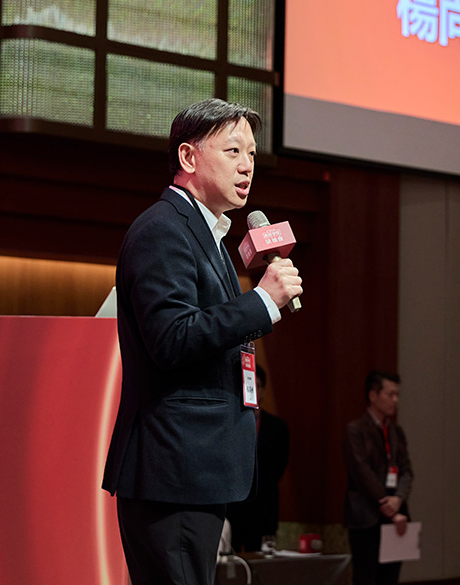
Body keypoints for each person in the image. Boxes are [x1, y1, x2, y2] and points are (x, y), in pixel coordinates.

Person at [101, 99, 303, 585]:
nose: (247, 165)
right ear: (189, 157)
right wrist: (261, 302)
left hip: (196, 469)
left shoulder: (206, 234)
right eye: (233, 150)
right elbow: (172, 338)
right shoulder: (163, 229)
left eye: (251, 153)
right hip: (174, 468)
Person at [344, 370, 414, 585]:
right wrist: (385, 502)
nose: (395, 400)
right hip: (366, 517)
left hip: (395, 516)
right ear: (373, 395)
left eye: (397, 395)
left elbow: (406, 471)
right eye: (390, 394)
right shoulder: (355, 430)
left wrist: (398, 499)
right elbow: (362, 472)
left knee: (390, 577)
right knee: (366, 577)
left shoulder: (396, 431)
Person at [227, 365, 291, 553]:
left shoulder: (278, 427)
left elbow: (279, 467)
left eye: (257, 384)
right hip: (233, 508)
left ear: (263, 389)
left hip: (264, 510)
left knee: (262, 564)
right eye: (248, 383)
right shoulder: (229, 423)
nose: (252, 388)